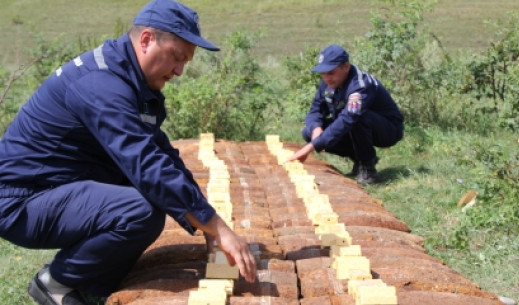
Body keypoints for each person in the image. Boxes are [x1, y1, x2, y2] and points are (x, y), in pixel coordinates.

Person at [0, 0, 257, 304]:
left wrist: (208, 223)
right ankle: (55, 282)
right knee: (141, 211)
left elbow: (162, 155)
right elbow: (146, 165)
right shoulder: (101, 84)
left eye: (186, 62)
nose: (179, 70)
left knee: (151, 195)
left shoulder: (131, 81)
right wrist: (218, 227)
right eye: (177, 57)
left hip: (58, 188)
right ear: (146, 40)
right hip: (21, 201)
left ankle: (95, 284)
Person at [287, 44, 404, 185]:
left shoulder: (360, 85)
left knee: (357, 118)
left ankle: (368, 168)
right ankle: (358, 158)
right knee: (308, 132)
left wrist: (311, 147)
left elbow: (348, 119)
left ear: (346, 67)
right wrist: (316, 130)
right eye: (323, 73)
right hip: (355, 125)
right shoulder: (328, 83)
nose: (326, 78)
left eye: (330, 72)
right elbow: (315, 111)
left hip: (387, 129)